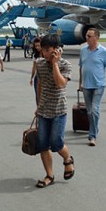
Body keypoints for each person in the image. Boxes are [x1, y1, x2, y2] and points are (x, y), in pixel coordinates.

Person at [34, 34, 75, 188]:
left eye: (47, 50)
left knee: (56, 143)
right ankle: (49, 175)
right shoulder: (40, 64)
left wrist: (55, 64)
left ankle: (68, 159)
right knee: (43, 145)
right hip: (44, 110)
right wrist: (38, 105)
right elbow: (40, 85)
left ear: (56, 50)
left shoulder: (66, 65)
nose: (44, 53)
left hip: (59, 110)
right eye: (42, 50)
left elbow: (60, 84)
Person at [78, 28, 106, 147]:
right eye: (86, 36)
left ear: (96, 37)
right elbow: (81, 67)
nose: (87, 38)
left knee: (94, 110)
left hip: (98, 85)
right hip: (86, 86)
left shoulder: (103, 52)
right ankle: (94, 128)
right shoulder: (83, 51)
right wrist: (80, 83)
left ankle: (92, 135)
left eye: (89, 36)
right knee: (90, 112)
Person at [30, 37, 42, 104]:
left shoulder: (46, 54)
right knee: (38, 96)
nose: (37, 47)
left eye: (38, 45)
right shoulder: (35, 55)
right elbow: (34, 67)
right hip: (37, 77)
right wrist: (31, 78)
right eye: (36, 46)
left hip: (45, 77)